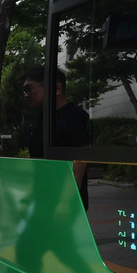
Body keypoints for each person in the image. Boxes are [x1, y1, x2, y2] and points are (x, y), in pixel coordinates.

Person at [23, 65, 90, 205]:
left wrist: (64, 205)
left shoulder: (75, 116)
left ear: (57, 89)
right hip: (43, 198)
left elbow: (79, 165)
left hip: (64, 204)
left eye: (29, 89)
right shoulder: (43, 117)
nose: (26, 95)